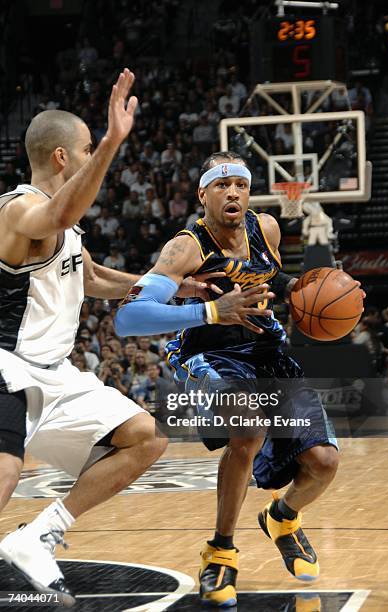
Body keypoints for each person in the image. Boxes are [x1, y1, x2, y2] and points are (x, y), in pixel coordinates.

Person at [0, 69, 219, 606]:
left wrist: (168, 285)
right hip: (7, 367)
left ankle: (37, 536)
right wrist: (114, 141)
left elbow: (92, 278)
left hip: (57, 377)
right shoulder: (17, 208)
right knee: (5, 473)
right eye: (87, 150)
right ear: (63, 158)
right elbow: (61, 210)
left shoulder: (67, 230)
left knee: (145, 436)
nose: (92, 155)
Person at [114, 151, 340, 608]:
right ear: (203, 195)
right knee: (250, 426)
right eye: (221, 185)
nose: (232, 191)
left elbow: (273, 277)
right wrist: (213, 309)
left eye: (239, 183)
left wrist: (305, 290)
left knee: (323, 462)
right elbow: (129, 316)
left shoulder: (268, 229)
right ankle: (220, 551)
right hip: (207, 350)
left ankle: (282, 517)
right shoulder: (186, 247)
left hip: (264, 349)